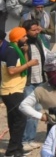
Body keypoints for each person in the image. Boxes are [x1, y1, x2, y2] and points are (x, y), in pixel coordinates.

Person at [2, 28, 33, 157]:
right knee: (20, 119)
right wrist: (30, 64)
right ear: (17, 38)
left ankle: (18, 150)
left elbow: (23, 64)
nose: (26, 38)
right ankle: (11, 150)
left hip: (15, 90)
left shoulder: (17, 50)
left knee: (14, 120)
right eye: (24, 36)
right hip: (11, 91)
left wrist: (26, 54)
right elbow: (12, 71)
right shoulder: (11, 51)